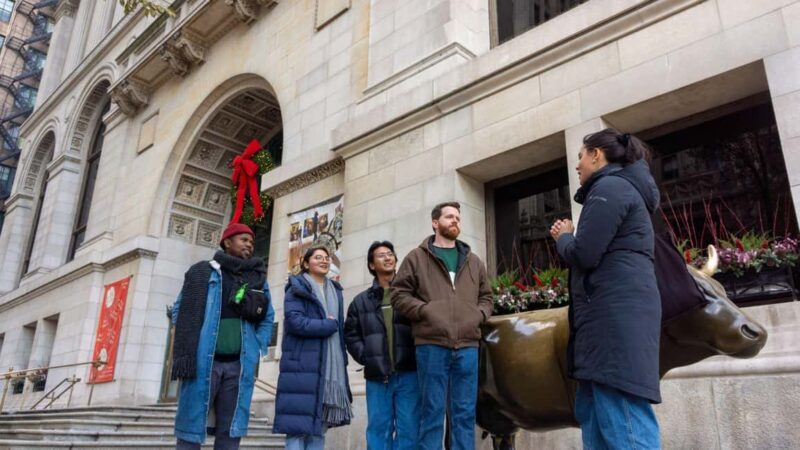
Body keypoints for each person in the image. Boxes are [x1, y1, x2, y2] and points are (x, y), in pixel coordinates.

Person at [550, 128, 662, 449]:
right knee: (598, 422)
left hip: (613, 331)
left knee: (626, 426)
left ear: (596, 155)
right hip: (604, 331)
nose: (577, 165)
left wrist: (563, 237)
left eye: (580, 156)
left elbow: (584, 253)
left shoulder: (610, 187)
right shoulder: (616, 188)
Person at [392, 201, 493, 450]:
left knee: (464, 414)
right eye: (449, 217)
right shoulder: (416, 258)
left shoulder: (474, 261)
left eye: (457, 217)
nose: (455, 220)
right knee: (432, 413)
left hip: (468, 346)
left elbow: (487, 297)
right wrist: (425, 311)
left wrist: (478, 315)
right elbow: (398, 294)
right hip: (431, 345)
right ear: (435, 223)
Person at [171, 222, 275, 450]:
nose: (249, 244)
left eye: (252, 241)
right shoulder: (203, 272)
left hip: (238, 367)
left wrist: (257, 345)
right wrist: (192, 339)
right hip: (203, 365)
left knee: (230, 431)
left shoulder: (257, 279)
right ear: (227, 242)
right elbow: (179, 310)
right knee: (190, 428)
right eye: (243, 240)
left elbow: (268, 317)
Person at [273, 245, 352, 450]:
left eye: (327, 257)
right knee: (297, 430)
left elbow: (340, 331)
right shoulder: (297, 287)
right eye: (318, 257)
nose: (324, 260)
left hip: (329, 368)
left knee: (319, 429)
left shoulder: (336, 291)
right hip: (301, 367)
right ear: (306, 263)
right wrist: (328, 325)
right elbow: (295, 322)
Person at [345, 241, 419, 450]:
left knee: (409, 431)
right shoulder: (360, 302)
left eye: (390, 254)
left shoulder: (411, 295)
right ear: (371, 265)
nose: (388, 257)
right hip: (378, 377)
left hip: (409, 374)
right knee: (379, 430)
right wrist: (367, 357)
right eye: (381, 255)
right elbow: (350, 334)